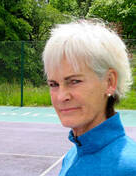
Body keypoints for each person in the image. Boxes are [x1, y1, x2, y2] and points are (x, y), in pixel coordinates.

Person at [42, 20, 136, 176]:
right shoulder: (72, 156)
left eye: (74, 81)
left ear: (109, 82)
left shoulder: (129, 168)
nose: (61, 96)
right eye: (54, 84)